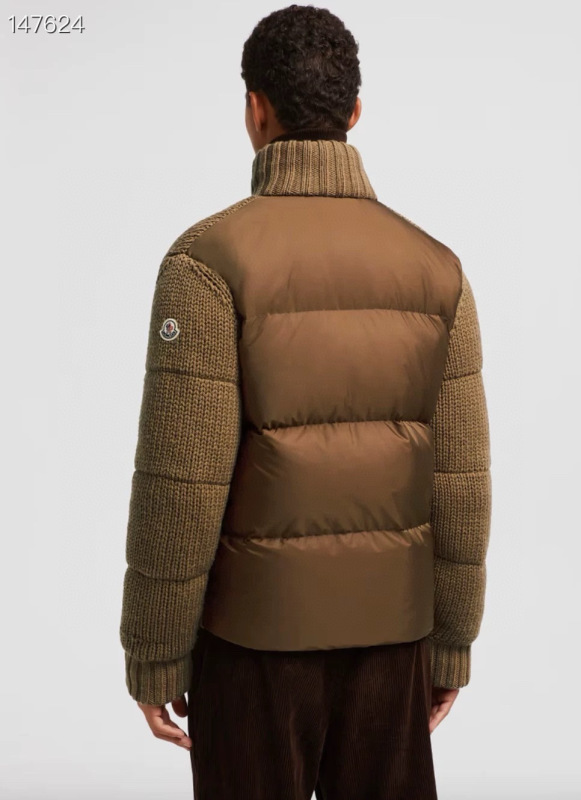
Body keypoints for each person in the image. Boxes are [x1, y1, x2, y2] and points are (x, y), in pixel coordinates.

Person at [119, 5, 492, 799]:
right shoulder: (437, 269)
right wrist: (451, 644)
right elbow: (460, 481)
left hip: (252, 647)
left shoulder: (206, 262)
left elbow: (181, 486)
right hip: (392, 640)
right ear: (354, 113)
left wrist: (154, 652)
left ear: (255, 109)